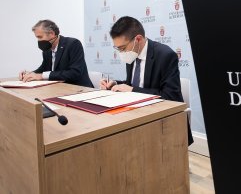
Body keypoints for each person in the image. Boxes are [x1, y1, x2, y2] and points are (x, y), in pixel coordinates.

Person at [100, 16, 193, 145]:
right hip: (136, 115)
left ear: (138, 39)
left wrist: (132, 90)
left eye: (122, 48)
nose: (121, 53)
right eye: (117, 49)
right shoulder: (132, 54)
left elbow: (171, 97)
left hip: (163, 123)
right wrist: (115, 84)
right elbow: (133, 83)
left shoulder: (165, 55)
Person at [19, 20, 93, 88]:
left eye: (40, 37)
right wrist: (30, 74)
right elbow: (44, 67)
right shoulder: (47, 49)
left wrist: (41, 76)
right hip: (59, 88)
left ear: (52, 33)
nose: (38, 40)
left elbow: (75, 72)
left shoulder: (73, 44)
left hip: (80, 89)